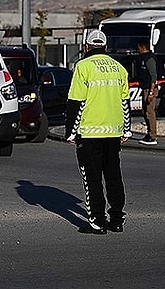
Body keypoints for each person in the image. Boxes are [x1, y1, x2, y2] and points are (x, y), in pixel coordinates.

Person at [65, 29, 132, 234]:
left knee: (92, 179)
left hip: (89, 132)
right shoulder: (119, 68)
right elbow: (124, 102)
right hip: (113, 132)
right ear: (105, 47)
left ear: (86, 46)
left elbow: (76, 102)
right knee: (113, 176)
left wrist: (71, 132)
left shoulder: (83, 67)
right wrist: (126, 130)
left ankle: (97, 222)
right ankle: (117, 219)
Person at [137, 40, 158, 145]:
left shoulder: (149, 59)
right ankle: (149, 133)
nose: (138, 50)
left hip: (149, 88)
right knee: (144, 111)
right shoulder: (142, 58)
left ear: (142, 47)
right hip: (144, 87)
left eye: (139, 48)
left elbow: (153, 76)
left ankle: (152, 136)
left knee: (149, 112)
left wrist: (151, 92)